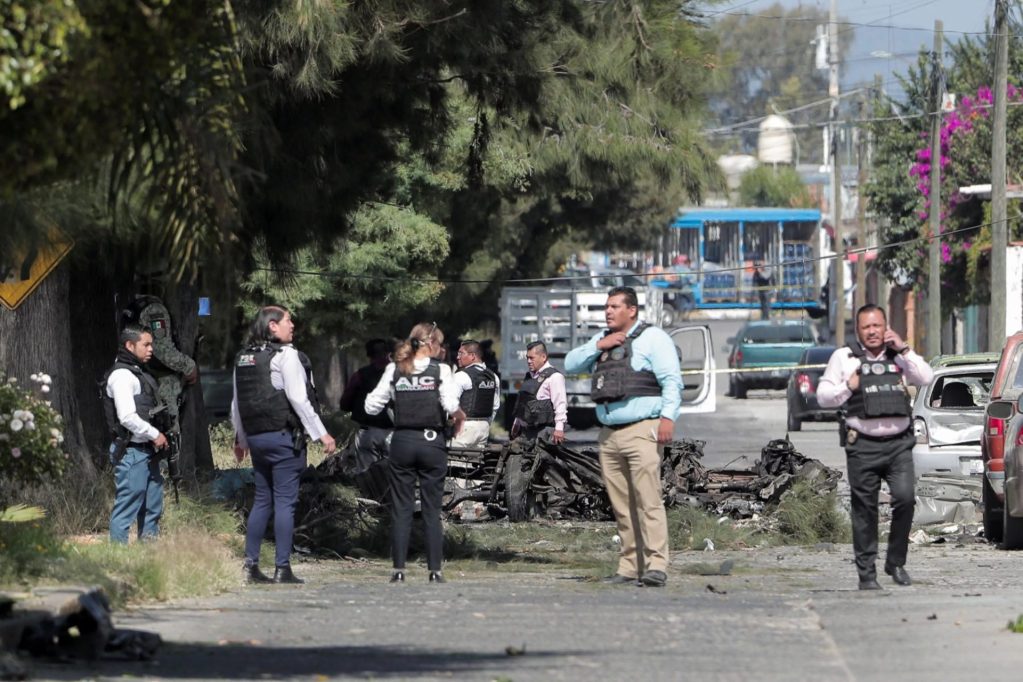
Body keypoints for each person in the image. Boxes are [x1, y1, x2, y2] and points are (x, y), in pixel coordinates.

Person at [565, 286, 682, 588]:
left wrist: (668, 418)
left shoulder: (653, 338)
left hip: (643, 429)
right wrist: (598, 345)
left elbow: (672, 381)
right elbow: (570, 364)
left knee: (648, 500)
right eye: (607, 306)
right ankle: (629, 565)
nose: (608, 311)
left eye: (615, 306)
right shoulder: (602, 342)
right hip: (609, 435)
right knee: (621, 504)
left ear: (632, 310)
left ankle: (657, 565)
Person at [817, 304, 933, 590]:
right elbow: (823, 396)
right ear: (858, 330)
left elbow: (926, 377)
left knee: (905, 499)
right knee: (864, 510)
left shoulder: (899, 357)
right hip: (863, 447)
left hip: (898, 446)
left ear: (886, 327)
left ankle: (895, 562)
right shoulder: (843, 357)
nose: (872, 332)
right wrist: (849, 387)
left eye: (877, 326)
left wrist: (905, 349)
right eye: (866, 327)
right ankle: (866, 574)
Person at [231, 306, 337, 585]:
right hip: (283, 438)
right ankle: (282, 568)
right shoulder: (286, 356)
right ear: (272, 326)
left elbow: (237, 403)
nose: (294, 325)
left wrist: (240, 440)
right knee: (285, 504)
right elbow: (299, 399)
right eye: (289, 321)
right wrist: (322, 434)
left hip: (257, 439)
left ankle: (251, 567)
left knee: (262, 501)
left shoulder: (243, 358)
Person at [365, 322, 466, 583]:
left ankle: (398, 570)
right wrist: (459, 417)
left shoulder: (394, 369)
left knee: (401, 508)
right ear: (431, 344)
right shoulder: (441, 370)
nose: (442, 350)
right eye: (440, 344)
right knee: (432, 510)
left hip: (402, 441)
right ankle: (435, 571)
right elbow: (450, 404)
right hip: (432, 442)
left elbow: (370, 407)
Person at [102, 324, 170, 543]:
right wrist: (154, 434)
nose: (151, 349)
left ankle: (148, 558)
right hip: (132, 452)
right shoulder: (122, 375)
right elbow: (127, 417)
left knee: (152, 507)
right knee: (127, 509)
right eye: (146, 344)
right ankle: (118, 560)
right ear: (130, 345)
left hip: (146, 451)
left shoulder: (138, 372)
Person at [121, 293, 199, 430]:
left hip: (143, 380)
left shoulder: (135, 306)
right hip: (160, 383)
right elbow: (162, 350)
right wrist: (188, 366)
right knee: (168, 434)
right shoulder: (154, 309)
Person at [339, 338, 394, 472]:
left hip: (367, 431)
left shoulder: (360, 375)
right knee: (394, 471)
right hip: (394, 432)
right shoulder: (400, 374)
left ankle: (369, 493)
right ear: (388, 353)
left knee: (366, 471)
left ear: (369, 355)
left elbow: (345, 402)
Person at [510, 341, 566, 445]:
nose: (529, 361)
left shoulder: (554, 377)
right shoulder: (529, 376)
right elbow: (524, 402)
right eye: (527, 358)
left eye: (532, 358)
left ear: (543, 357)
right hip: (526, 432)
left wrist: (559, 428)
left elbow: (560, 404)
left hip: (544, 432)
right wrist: (516, 423)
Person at [449, 340, 500, 450]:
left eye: (461, 353)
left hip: (464, 427)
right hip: (483, 428)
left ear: (472, 356)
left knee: (456, 463)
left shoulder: (461, 376)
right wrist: (486, 423)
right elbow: (495, 406)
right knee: (476, 464)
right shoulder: (493, 376)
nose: (458, 357)